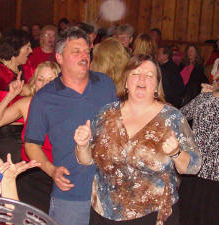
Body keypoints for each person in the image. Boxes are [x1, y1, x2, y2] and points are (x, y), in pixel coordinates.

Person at [74, 54, 201, 225]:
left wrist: (176, 153)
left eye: (149, 75)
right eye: (136, 73)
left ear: (156, 85)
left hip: (152, 215)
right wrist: (82, 146)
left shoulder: (172, 118)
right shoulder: (106, 114)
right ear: (126, 82)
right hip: (104, 213)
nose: (142, 79)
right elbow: (86, 160)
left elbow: (193, 166)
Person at [24, 27, 117, 225]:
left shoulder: (105, 84)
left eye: (86, 51)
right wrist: (51, 170)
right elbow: (31, 144)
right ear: (59, 57)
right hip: (72, 194)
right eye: (76, 51)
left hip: (109, 192)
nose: (84, 56)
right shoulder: (44, 98)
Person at [0, 61, 60, 213]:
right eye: (41, 79)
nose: (45, 84)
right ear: (35, 83)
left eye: (51, 80)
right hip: (31, 175)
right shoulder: (28, 104)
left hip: (57, 173)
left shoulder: (67, 107)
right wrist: (10, 95)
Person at [179, 68, 219, 225]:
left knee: (188, 217)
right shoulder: (204, 99)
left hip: (195, 170)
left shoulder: (203, 100)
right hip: (212, 179)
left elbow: (179, 117)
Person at [0, 29, 32, 163]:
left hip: (23, 132)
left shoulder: (24, 68)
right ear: (15, 49)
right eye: (27, 47)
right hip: (5, 134)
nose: (31, 51)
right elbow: (26, 91)